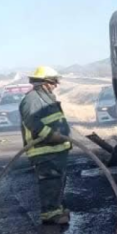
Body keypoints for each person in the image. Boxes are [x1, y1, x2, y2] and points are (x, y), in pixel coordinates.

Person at [19, 66, 73, 225]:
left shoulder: (45, 97)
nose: (55, 85)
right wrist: (51, 135)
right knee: (50, 181)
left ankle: (57, 208)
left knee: (58, 181)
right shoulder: (32, 99)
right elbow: (32, 123)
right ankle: (50, 214)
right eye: (53, 82)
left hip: (56, 149)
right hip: (44, 150)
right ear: (44, 83)